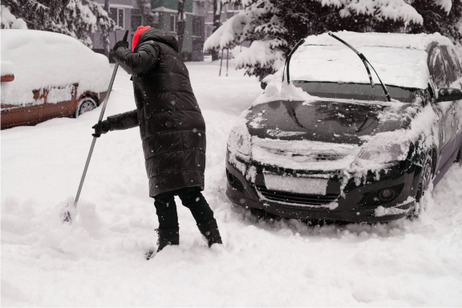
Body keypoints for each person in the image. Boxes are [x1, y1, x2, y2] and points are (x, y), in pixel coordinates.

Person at [93, 26, 222, 252]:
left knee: (164, 192)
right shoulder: (170, 55)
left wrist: (119, 51)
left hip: (170, 128)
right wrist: (108, 125)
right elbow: (146, 113)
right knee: (188, 190)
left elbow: (136, 62)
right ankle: (214, 241)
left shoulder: (152, 46)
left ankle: (169, 247)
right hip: (184, 126)